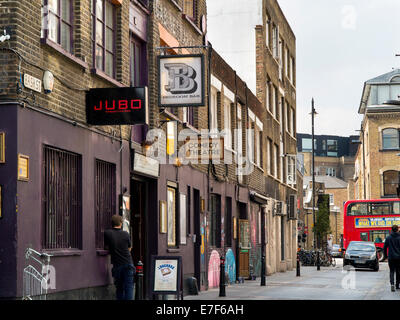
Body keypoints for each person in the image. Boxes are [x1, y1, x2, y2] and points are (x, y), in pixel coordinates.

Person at [104, 215, 136, 300]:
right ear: (121, 223)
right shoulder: (125, 234)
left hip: (117, 264)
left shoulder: (108, 233)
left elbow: (106, 246)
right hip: (128, 263)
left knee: (119, 288)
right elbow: (129, 248)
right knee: (129, 288)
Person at [383, 225, 400, 292]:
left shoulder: (388, 238)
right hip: (399, 258)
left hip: (391, 257)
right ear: (397, 229)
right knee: (398, 271)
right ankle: (397, 285)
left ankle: (392, 284)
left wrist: (385, 256)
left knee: (392, 271)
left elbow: (384, 248)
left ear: (392, 230)